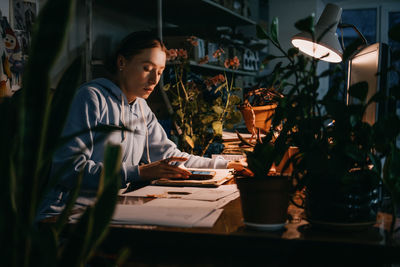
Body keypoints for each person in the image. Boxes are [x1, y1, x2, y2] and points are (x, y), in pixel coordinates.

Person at [38, 31, 242, 218]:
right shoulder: (91, 97)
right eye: (147, 68)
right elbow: (69, 170)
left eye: (160, 72)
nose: (154, 79)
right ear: (122, 62)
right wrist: (140, 172)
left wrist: (228, 166)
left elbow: (172, 158)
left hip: (112, 209)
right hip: (66, 213)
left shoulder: (141, 107)